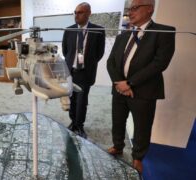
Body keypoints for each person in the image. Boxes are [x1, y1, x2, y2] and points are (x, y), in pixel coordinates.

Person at [106, 0, 175, 173]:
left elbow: (160, 63)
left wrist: (130, 83)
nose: (130, 12)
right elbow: (111, 62)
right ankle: (118, 146)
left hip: (144, 91)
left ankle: (138, 157)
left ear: (149, 9)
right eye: (129, 9)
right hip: (119, 89)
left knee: (142, 126)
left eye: (135, 8)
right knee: (118, 120)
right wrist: (119, 83)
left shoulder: (163, 32)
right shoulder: (123, 36)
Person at [62, 2, 105, 138]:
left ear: (88, 13)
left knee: (82, 101)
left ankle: (79, 125)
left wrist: (87, 64)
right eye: (75, 12)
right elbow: (65, 51)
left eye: (80, 12)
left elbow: (99, 53)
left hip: (85, 73)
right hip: (71, 71)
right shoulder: (69, 30)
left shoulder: (98, 30)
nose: (76, 15)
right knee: (72, 99)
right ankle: (73, 122)